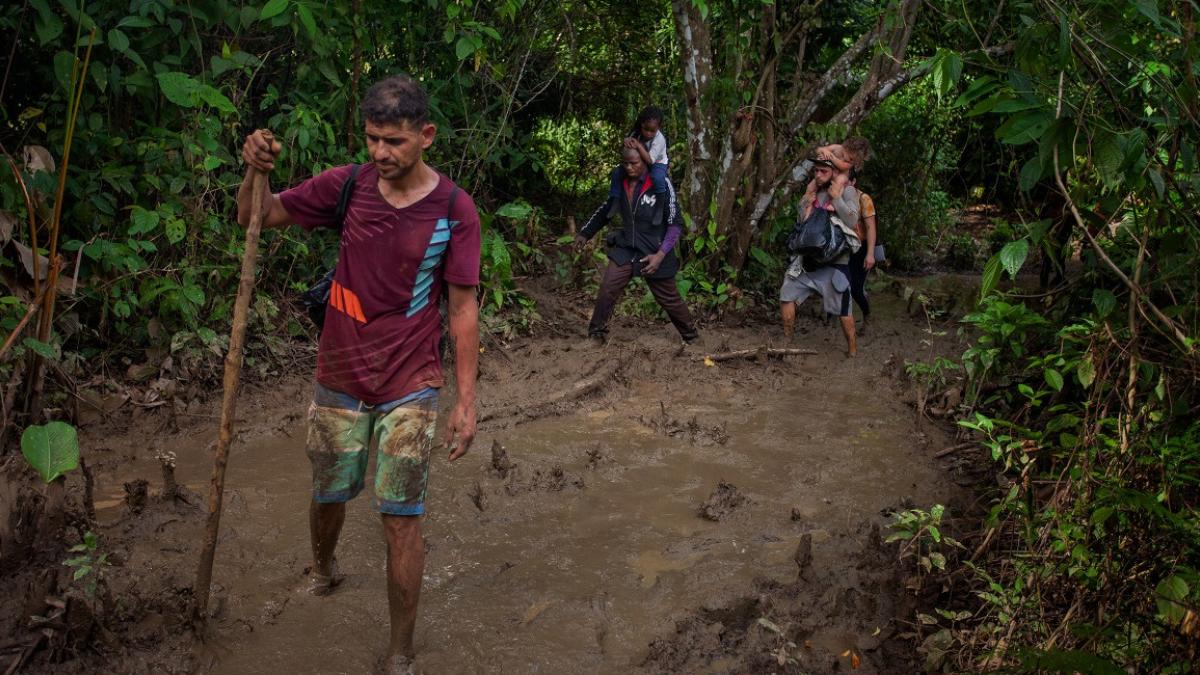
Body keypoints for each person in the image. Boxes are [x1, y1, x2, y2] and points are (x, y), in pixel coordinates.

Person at [237, 74, 480, 675]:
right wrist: (253, 168)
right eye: (372, 138)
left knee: (402, 521)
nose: (380, 153)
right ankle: (323, 570)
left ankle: (400, 653)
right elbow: (256, 217)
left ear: (425, 136)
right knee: (329, 495)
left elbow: (462, 307)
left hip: (412, 385)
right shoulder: (347, 185)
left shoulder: (454, 209)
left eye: (393, 141)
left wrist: (466, 401)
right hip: (339, 376)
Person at [579, 146, 698, 344]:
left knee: (668, 298)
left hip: (655, 249)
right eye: (625, 163)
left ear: (644, 161)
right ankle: (596, 334)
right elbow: (607, 209)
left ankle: (691, 336)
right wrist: (585, 233)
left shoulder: (660, 183)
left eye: (634, 163)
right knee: (608, 286)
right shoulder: (620, 182)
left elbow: (675, 224)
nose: (629, 167)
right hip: (627, 246)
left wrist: (660, 255)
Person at [780, 157, 862, 356]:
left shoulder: (847, 190)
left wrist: (837, 198)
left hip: (835, 264)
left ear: (834, 172)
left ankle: (852, 351)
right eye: (816, 171)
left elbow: (852, 220)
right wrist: (807, 197)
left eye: (823, 171)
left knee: (844, 310)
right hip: (807, 262)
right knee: (786, 295)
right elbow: (801, 221)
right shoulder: (814, 190)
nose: (818, 175)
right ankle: (787, 343)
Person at [842, 137, 876, 332]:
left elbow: (871, 228)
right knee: (838, 283)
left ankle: (867, 315)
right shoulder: (837, 198)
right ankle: (837, 319)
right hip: (844, 246)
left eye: (848, 181)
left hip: (861, 248)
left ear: (853, 181)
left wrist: (870, 254)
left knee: (855, 288)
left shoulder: (863, 199)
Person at [609, 105, 670, 198]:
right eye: (646, 129)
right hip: (639, 162)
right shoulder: (636, 133)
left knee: (657, 178)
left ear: (658, 128)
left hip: (657, 163)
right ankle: (614, 199)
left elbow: (650, 160)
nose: (648, 134)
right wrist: (626, 142)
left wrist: (638, 146)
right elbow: (627, 149)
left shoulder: (659, 139)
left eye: (652, 131)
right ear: (642, 124)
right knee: (617, 173)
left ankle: (661, 201)